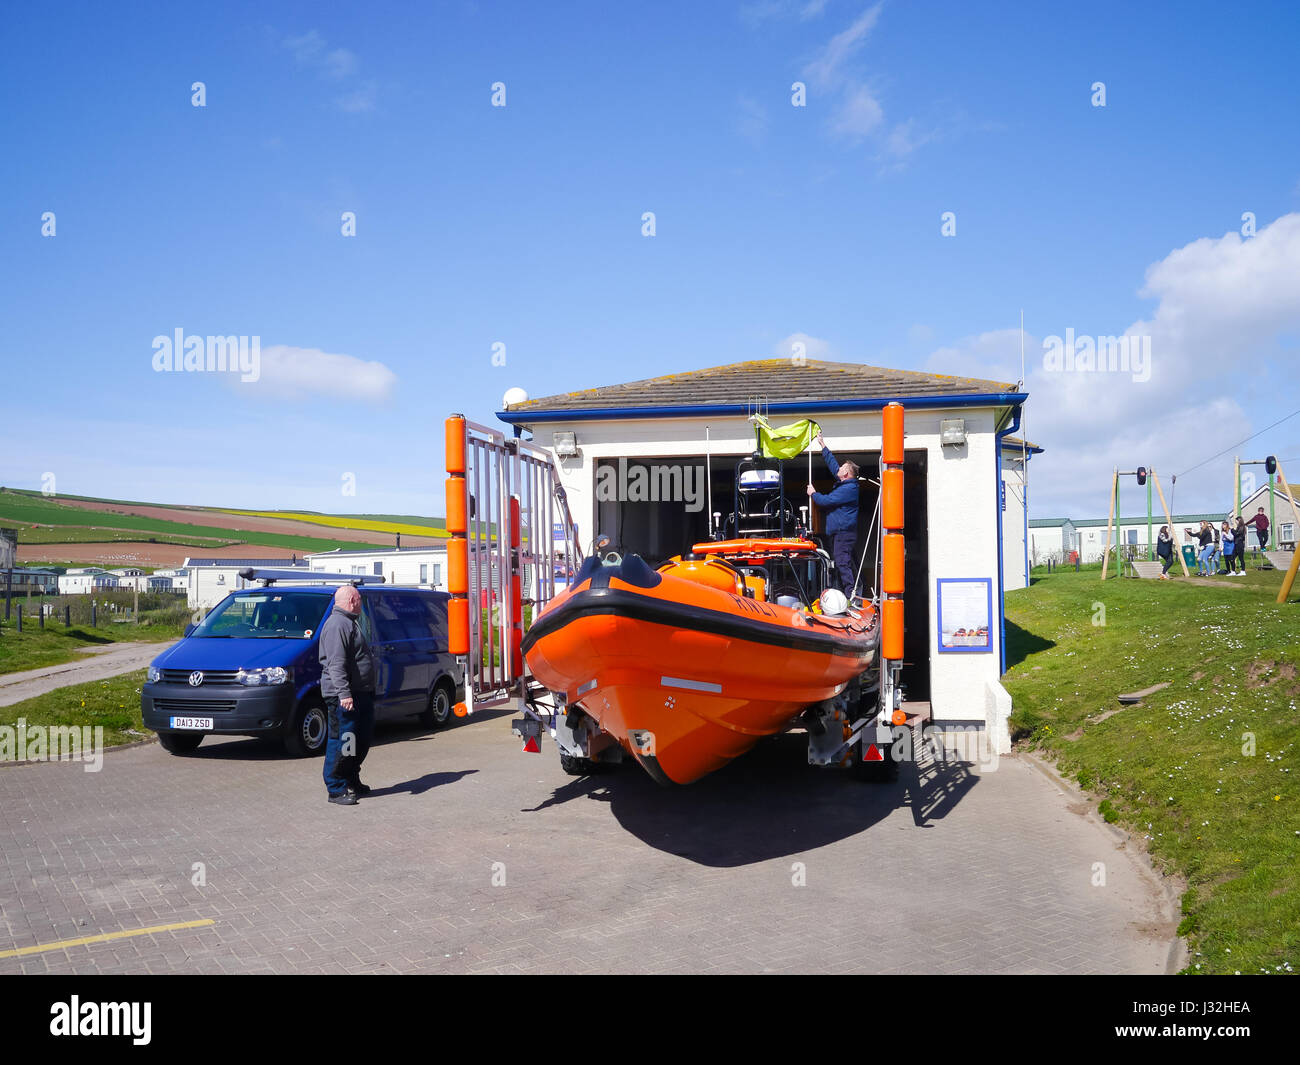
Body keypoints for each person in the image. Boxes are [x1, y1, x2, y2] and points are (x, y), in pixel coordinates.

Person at [319, 585, 376, 806]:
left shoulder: (350, 622)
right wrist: (345, 694)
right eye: (360, 599)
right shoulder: (337, 625)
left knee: (360, 740)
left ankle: (351, 777)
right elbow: (335, 664)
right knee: (344, 741)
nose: (361, 603)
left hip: (361, 694)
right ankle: (336, 787)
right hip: (344, 697)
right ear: (352, 600)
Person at [806, 432, 860, 596]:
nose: (839, 469)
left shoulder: (849, 489)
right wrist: (823, 445)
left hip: (843, 533)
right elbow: (833, 465)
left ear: (846, 474)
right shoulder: (846, 483)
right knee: (843, 561)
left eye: (843, 468)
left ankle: (851, 594)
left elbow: (826, 501)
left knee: (843, 562)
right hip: (839, 533)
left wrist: (813, 494)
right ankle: (849, 590)